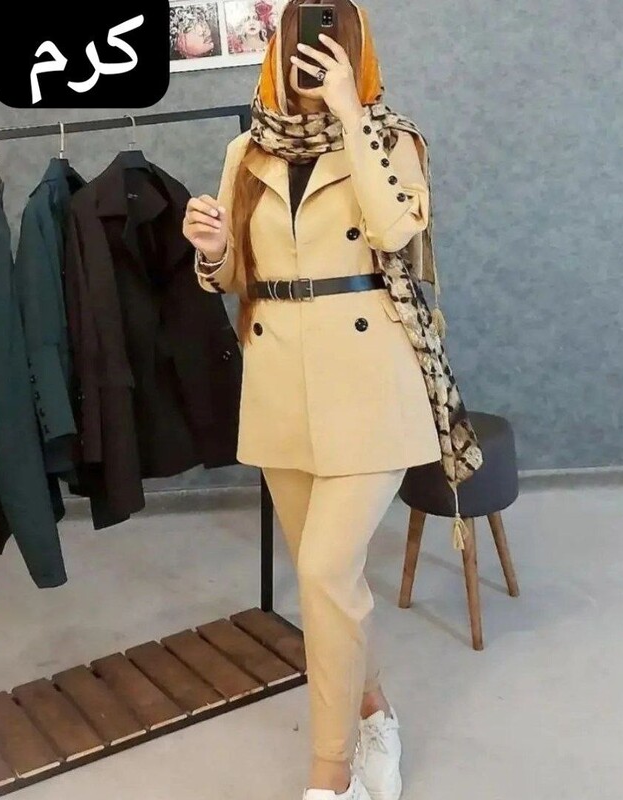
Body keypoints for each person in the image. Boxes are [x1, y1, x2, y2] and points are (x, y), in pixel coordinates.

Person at [182, 1, 482, 798]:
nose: (308, 53)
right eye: (295, 38)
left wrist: (352, 114)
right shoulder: (246, 150)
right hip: (281, 385)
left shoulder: (394, 140)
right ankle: (376, 709)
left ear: (355, 50)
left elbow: (394, 233)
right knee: (329, 584)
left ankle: (332, 775)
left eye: (327, 38)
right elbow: (238, 279)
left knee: (321, 570)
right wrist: (213, 252)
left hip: (369, 383)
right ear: (277, 50)